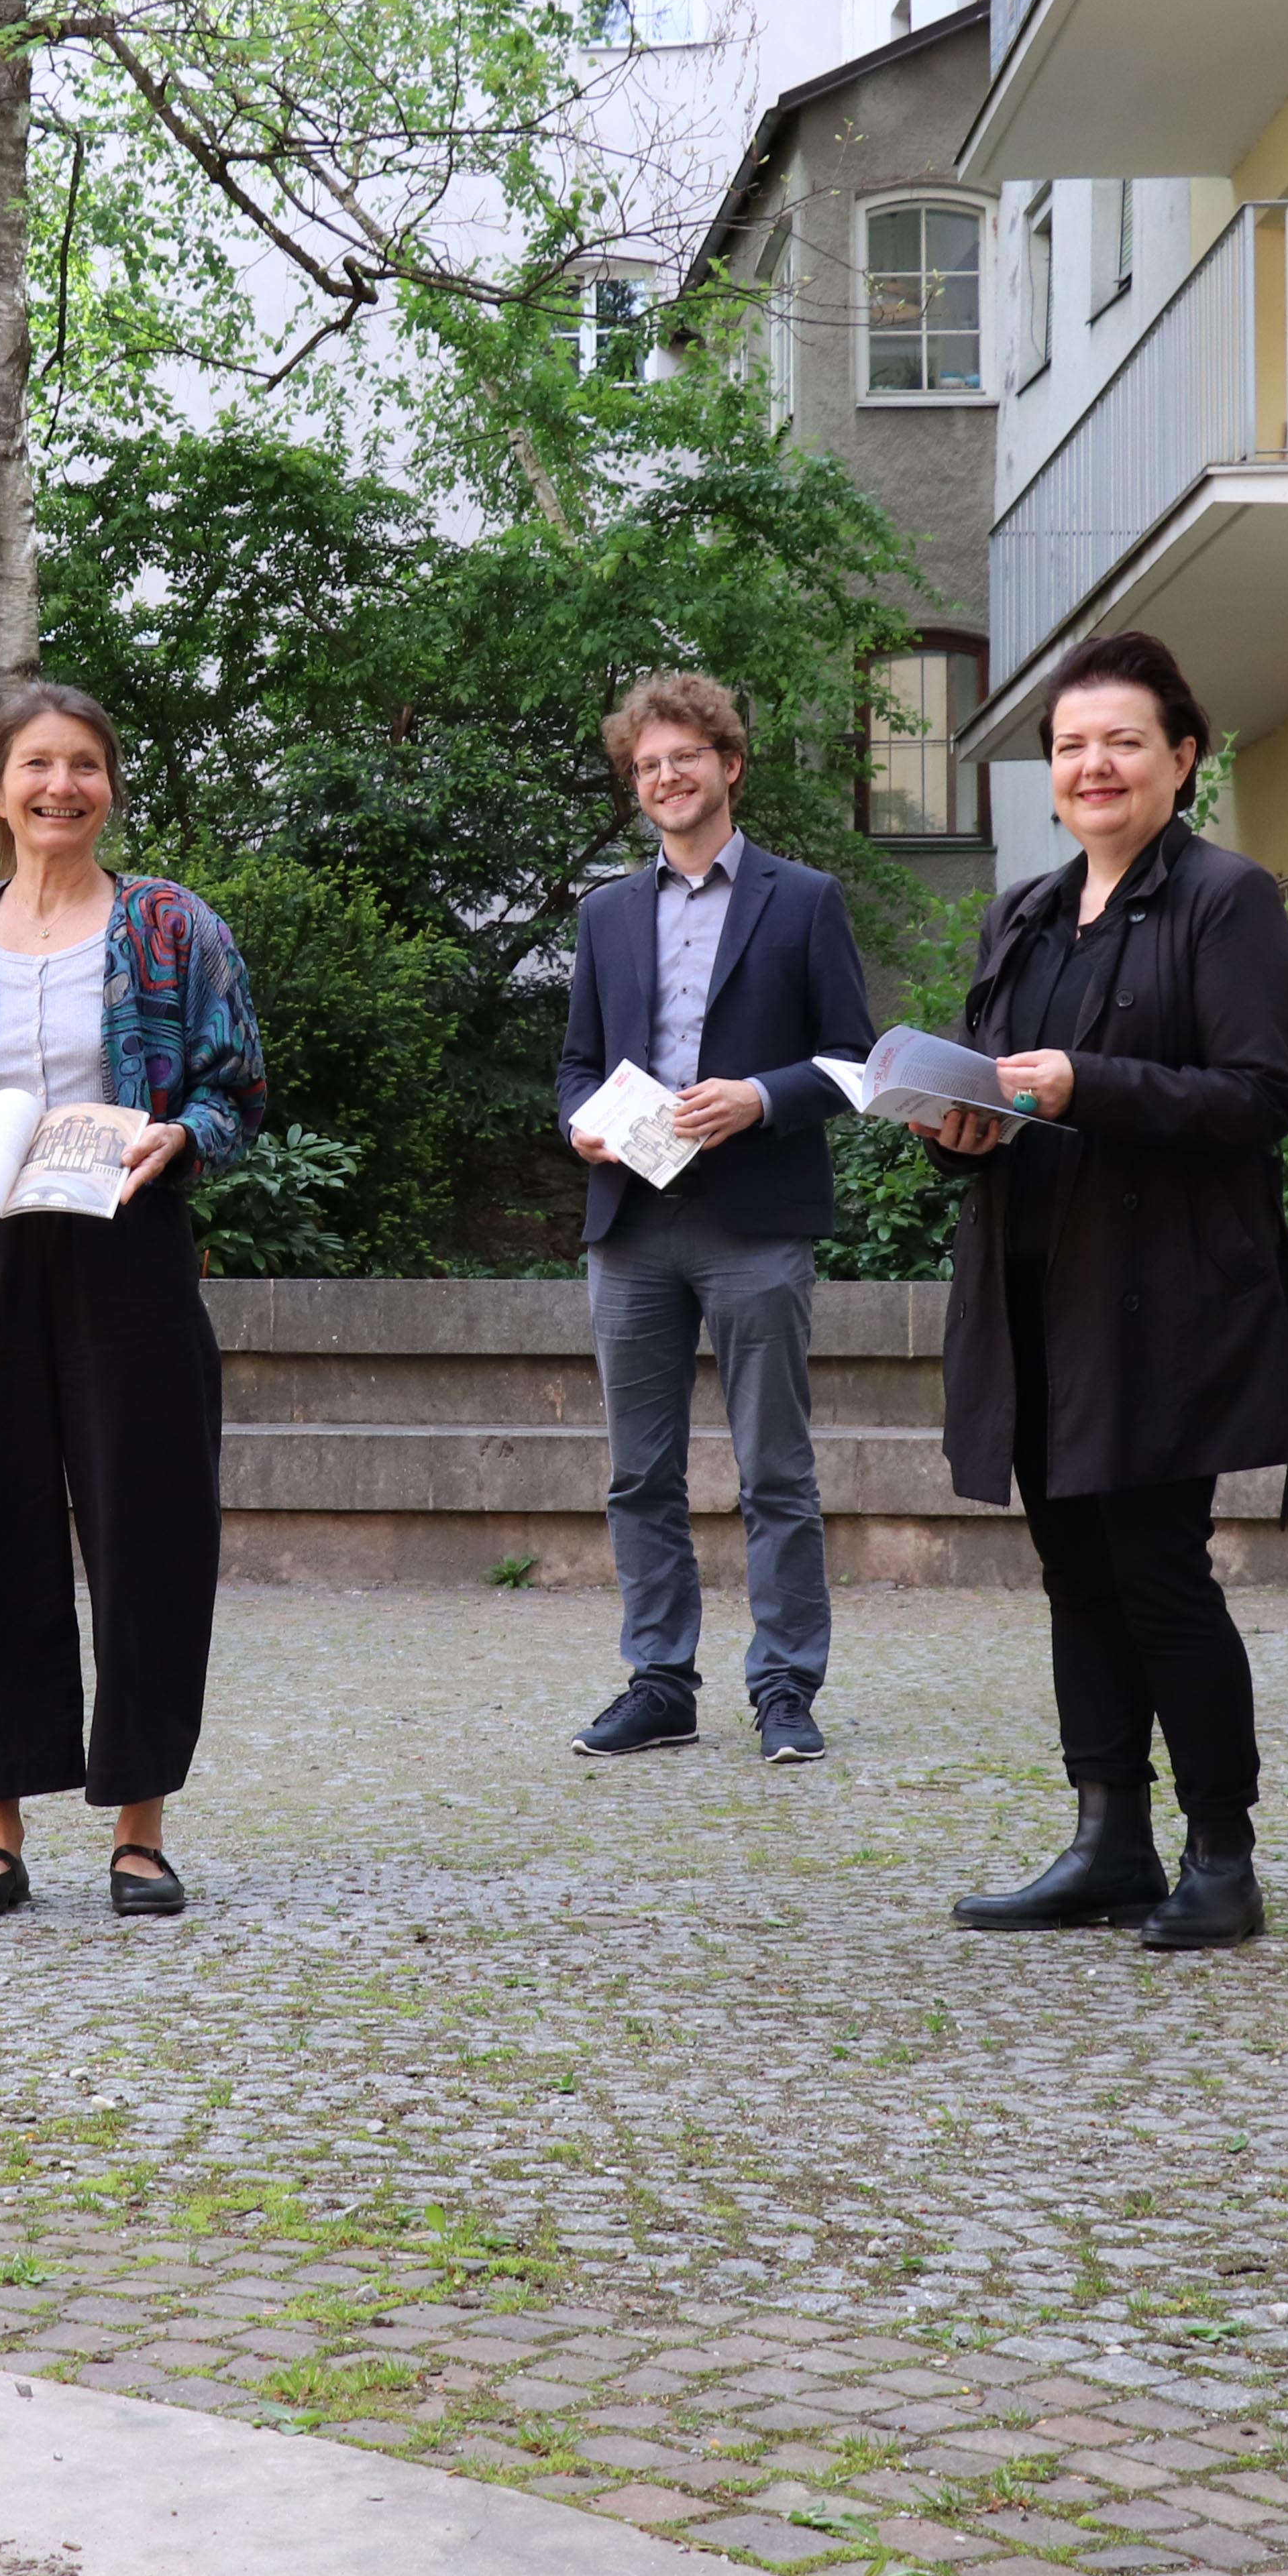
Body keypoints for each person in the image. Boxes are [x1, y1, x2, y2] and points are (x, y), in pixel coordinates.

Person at [0, 683, 266, 1920]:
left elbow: (235, 1087)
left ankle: (141, 1830)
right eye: (37, 764)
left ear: (110, 787)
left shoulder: (171, 925)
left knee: (149, 1527)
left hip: (128, 1248)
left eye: (84, 765)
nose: (60, 786)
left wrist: (181, 1136)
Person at [930, 632, 1288, 1951]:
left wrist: (1083, 1083)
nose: (1094, 765)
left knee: (1157, 1571)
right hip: (1034, 1293)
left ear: (1182, 757)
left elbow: (1258, 1098)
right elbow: (994, 1083)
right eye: (1072, 745)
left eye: (1124, 741)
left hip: (1164, 1306)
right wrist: (956, 1122)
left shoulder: (1226, 898)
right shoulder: (1025, 915)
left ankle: (1223, 1856)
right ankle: (1109, 1841)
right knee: (1075, 1575)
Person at [556, 673, 875, 1766]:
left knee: (774, 1470)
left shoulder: (805, 899)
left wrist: (761, 1098)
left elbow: (854, 1062)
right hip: (632, 1222)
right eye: (647, 765)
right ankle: (661, 1686)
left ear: (729, 765)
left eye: (684, 757)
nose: (665, 777)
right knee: (638, 1476)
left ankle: (785, 1687)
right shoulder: (604, 913)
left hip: (756, 1221)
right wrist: (581, 1128)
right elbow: (578, 1069)